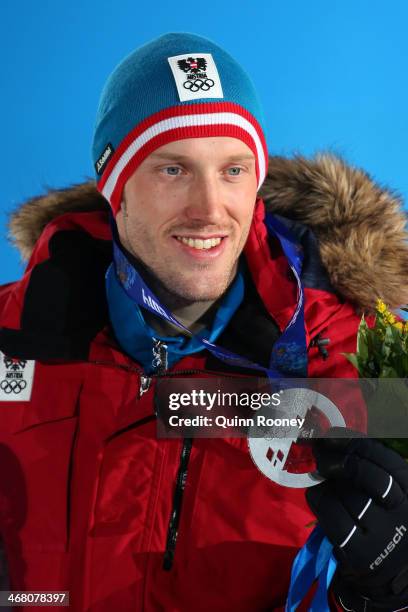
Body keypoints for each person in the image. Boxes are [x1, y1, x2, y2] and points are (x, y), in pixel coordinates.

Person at [0, 32, 408, 612]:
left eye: (234, 170)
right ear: (115, 188)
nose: (211, 209)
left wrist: (384, 595)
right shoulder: (13, 339)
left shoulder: (361, 360)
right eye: (174, 170)